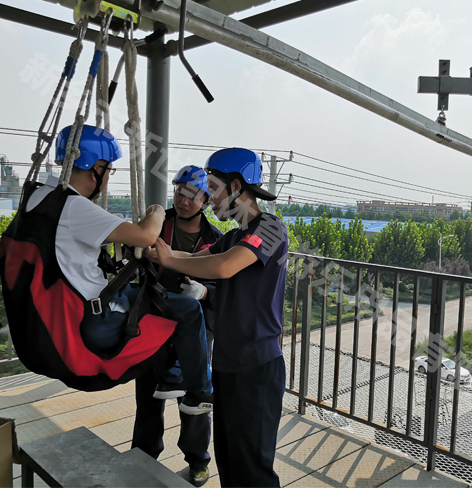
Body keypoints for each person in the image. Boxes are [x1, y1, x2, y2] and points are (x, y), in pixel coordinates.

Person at [27, 124, 213, 414]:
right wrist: (156, 212)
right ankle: (200, 392)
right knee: (185, 310)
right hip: (95, 316)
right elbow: (145, 236)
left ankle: (172, 377)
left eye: (193, 195)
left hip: (66, 308)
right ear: (96, 169)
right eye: (109, 170)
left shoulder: (38, 197)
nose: (184, 200)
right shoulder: (73, 206)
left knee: (156, 301)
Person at [148, 148, 288, 487]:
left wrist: (169, 260)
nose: (207, 199)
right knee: (229, 460)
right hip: (226, 363)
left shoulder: (269, 228)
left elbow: (223, 266)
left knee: (252, 467)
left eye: (212, 188)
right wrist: (151, 248)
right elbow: (193, 256)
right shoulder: (232, 236)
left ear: (237, 187)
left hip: (256, 366)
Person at [132, 165, 222, 487]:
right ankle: (143, 454)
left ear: (205, 200)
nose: (183, 200)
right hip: (153, 319)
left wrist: (205, 291)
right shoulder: (156, 225)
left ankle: (198, 460)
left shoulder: (216, 240)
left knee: (195, 400)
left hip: (195, 329)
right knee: (148, 393)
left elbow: (224, 283)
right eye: (179, 192)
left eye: (191, 195)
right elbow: (135, 254)